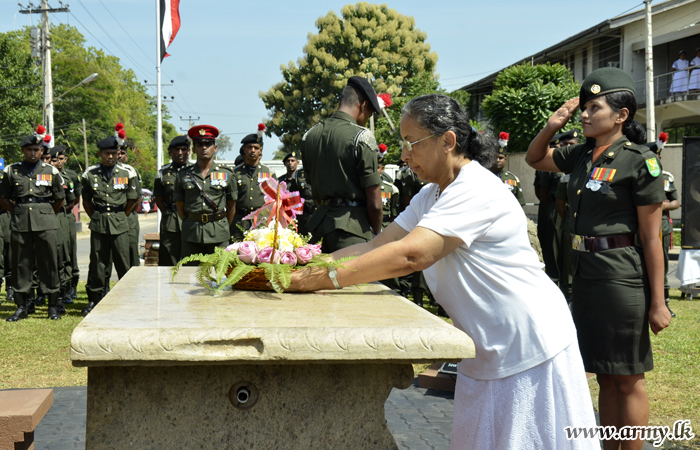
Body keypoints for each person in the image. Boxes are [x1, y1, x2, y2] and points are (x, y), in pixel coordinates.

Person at [288, 94, 597, 450]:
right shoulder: (431, 194)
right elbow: (376, 246)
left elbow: (411, 255)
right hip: (484, 347)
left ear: (447, 141)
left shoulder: (475, 188)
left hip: (526, 345)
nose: (403, 155)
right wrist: (304, 263)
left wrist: (317, 281)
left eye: (411, 143)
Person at [526, 67, 672, 450]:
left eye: (595, 107)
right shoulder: (580, 155)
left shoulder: (640, 162)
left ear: (621, 115)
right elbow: (534, 158)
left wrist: (658, 302)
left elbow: (650, 237)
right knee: (604, 375)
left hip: (621, 277)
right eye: (584, 108)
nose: (585, 115)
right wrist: (552, 124)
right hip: (586, 275)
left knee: (628, 377)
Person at [301, 76, 383, 252]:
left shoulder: (309, 136)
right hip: (353, 232)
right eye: (369, 113)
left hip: (317, 232)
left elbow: (313, 190)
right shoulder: (362, 137)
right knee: (357, 280)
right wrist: (377, 233)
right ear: (363, 105)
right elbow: (375, 202)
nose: (367, 118)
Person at [1, 130, 65, 321]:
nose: (33, 153)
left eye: (36, 150)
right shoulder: (12, 171)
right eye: (29, 149)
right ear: (23, 150)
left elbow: (59, 199)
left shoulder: (50, 171)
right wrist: (17, 211)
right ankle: (22, 305)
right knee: (21, 263)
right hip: (20, 221)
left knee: (50, 262)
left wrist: (45, 213)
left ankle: (52, 305)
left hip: (46, 221)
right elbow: (3, 197)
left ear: (41, 151)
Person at [81, 135, 140, 314]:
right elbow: (86, 201)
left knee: (124, 262)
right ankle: (95, 300)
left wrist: (121, 215)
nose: (111, 157)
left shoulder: (128, 172)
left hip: (120, 221)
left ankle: (129, 298)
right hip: (99, 222)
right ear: (100, 153)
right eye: (107, 153)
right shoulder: (89, 174)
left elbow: (133, 199)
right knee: (98, 262)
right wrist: (96, 216)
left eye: (114, 153)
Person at [175, 125, 236, 259]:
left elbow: (232, 207)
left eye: (208, 144)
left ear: (215, 148)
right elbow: (180, 206)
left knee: (220, 274)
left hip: (219, 234)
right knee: (188, 274)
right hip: (191, 234)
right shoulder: (183, 175)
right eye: (199, 144)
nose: (204, 148)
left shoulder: (227, 173)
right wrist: (188, 221)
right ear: (194, 149)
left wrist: (222, 225)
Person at [644, 133, 679, 317]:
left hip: (661, 228)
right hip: (641, 228)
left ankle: (664, 302)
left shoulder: (665, 178)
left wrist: (663, 205)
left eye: (658, 157)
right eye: (653, 156)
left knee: (662, 265)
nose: (656, 160)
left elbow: (676, 202)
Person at [231, 127, 276, 241]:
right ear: (244, 149)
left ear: (260, 150)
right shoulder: (235, 173)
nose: (252, 150)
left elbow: (275, 201)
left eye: (256, 148)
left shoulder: (269, 173)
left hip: (261, 222)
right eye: (249, 147)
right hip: (240, 222)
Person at [154, 135, 192, 266]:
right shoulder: (162, 173)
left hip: (191, 218)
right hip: (171, 219)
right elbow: (158, 198)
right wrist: (167, 213)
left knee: (191, 256)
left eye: (184, 149)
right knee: (168, 256)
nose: (180, 153)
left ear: (189, 151)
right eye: (176, 149)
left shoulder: (196, 171)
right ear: (170, 152)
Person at [489, 134, 524, 207]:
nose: (497, 160)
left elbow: (519, 204)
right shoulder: (482, 177)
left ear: (505, 159)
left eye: (500, 158)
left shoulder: (513, 179)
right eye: (494, 157)